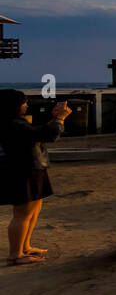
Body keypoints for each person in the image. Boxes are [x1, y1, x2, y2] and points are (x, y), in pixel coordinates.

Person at [1, 90, 70, 266]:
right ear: (14, 106)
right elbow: (48, 135)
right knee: (22, 214)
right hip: (23, 171)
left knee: (33, 210)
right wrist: (60, 120)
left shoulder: (14, 123)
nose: (26, 105)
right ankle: (15, 255)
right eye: (23, 102)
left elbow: (38, 131)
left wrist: (55, 119)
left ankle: (25, 247)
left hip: (32, 169)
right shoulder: (13, 124)